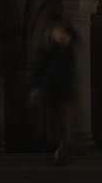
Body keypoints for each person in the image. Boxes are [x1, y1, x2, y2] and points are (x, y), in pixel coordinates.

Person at [30, 20, 77, 165]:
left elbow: (49, 70)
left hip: (61, 92)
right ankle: (63, 149)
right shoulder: (58, 51)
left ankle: (64, 151)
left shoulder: (60, 52)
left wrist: (38, 87)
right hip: (57, 92)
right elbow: (45, 70)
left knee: (61, 123)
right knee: (58, 124)